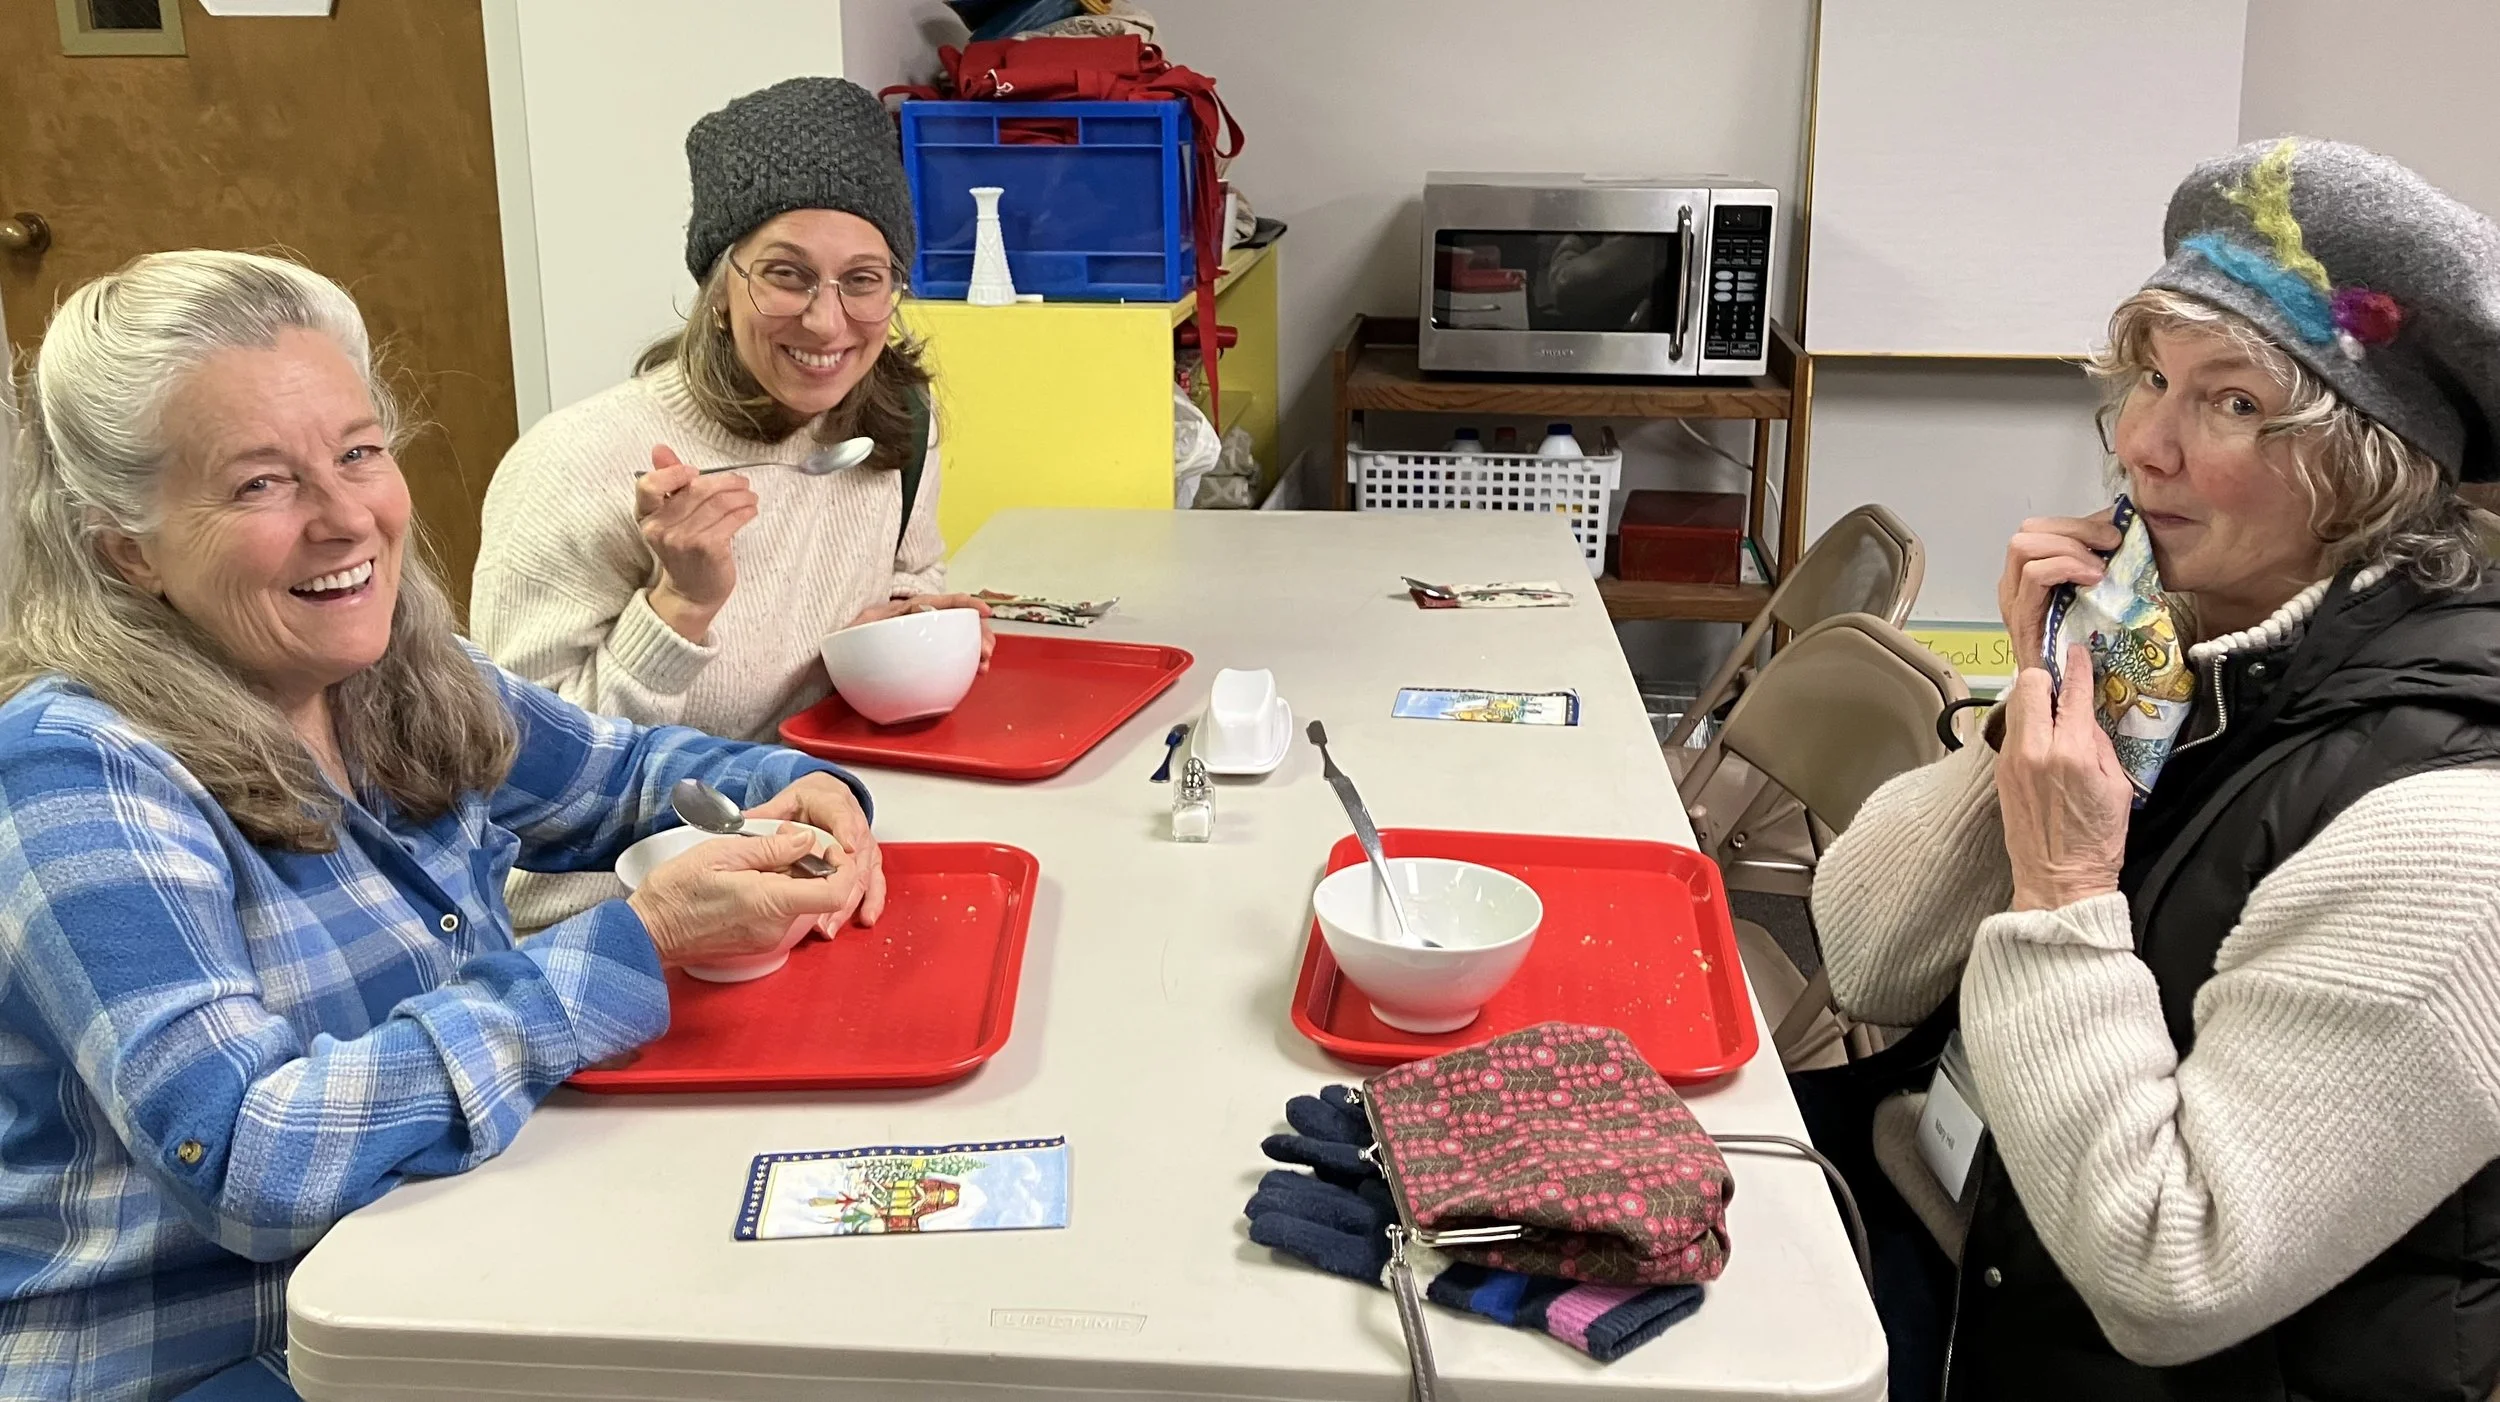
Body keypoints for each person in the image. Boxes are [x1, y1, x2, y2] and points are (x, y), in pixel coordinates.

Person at [0, 249, 892, 1402]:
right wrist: (638, 937)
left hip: (440, 1263)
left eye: (359, 452)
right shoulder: (75, 772)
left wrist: (802, 787)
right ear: (127, 547)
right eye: (262, 482)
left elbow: (623, 776)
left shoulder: (393, 671)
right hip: (211, 1354)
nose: (346, 518)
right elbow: (246, 1158)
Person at [1810, 138, 2500, 1400]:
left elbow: (2166, 1271)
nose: (2141, 445)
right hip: (1946, 1250)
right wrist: (2042, 697)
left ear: (2371, 463)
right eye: (2145, 378)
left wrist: (2067, 880)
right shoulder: (2188, 655)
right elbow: (1864, 963)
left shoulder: (2453, 827)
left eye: (2229, 402)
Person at [472, 75, 993, 931]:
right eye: (786, 276)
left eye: (864, 280)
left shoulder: (893, 426)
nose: (829, 324)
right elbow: (516, 781)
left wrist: (908, 621)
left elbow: (904, 569)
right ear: (720, 285)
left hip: (818, 841)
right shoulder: (571, 467)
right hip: (622, 912)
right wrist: (679, 607)